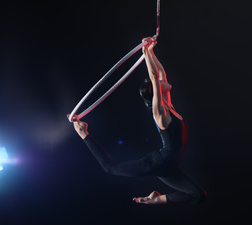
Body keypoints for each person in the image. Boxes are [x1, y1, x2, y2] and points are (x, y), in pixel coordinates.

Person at [68, 37, 206, 204]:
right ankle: (83, 133)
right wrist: (145, 52)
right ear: (156, 93)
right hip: (157, 164)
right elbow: (155, 77)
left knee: (199, 195)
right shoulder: (160, 112)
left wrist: (150, 50)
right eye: (160, 84)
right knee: (109, 168)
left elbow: (160, 74)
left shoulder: (168, 104)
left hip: (170, 167)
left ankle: (155, 199)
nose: (165, 82)